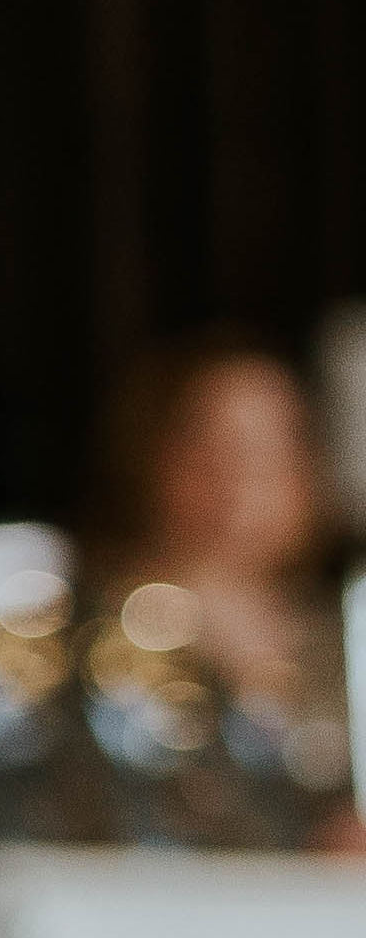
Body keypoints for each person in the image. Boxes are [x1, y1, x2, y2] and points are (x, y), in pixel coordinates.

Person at [56, 334, 355, 850]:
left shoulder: (341, 636)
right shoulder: (89, 636)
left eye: (271, 451)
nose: (239, 481)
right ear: (149, 455)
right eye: (211, 449)